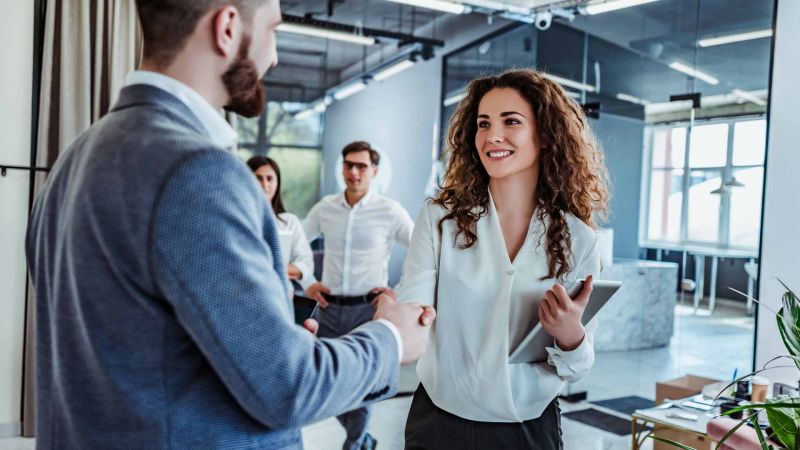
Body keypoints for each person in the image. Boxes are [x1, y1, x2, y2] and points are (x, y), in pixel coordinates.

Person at [25, 1, 435, 448]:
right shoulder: (197, 172)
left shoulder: (72, 160)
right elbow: (289, 387)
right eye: (273, 31)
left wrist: (264, 335)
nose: (274, 56)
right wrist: (391, 338)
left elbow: (133, 350)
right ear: (226, 28)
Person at [400, 69, 610, 449]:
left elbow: (578, 367)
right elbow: (412, 314)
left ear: (545, 135)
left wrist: (569, 335)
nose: (492, 135)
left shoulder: (579, 238)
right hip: (438, 423)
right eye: (483, 124)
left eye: (511, 121)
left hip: (527, 430)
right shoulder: (439, 218)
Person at [302, 141, 415, 450]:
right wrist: (309, 282)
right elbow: (297, 244)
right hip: (328, 310)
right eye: (349, 165)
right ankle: (363, 439)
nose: (354, 172)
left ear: (374, 171)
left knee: (364, 386)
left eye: (361, 166)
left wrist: (398, 292)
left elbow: (422, 249)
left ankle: (354, 445)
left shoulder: (389, 211)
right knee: (325, 382)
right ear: (342, 169)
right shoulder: (325, 207)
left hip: (367, 312)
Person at [247, 156, 315, 293]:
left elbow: (306, 264)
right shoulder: (238, 222)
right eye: (258, 178)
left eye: (269, 179)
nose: (265, 185)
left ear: (277, 182)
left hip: (280, 296)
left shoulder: (289, 222)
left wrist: (276, 268)